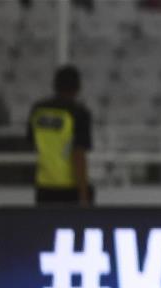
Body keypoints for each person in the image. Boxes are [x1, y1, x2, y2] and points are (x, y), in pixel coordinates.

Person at [27, 65, 94, 205]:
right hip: (70, 187)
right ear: (78, 87)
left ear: (55, 85)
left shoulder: (38, 110)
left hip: (43, 185)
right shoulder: (78, 112)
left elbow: (33, 143)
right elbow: (78, 154)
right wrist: (84, 194)